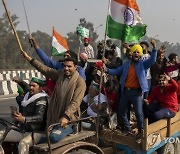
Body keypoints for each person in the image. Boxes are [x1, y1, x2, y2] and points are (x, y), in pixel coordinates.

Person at [21, 50, 86, 143]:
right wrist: (29, 58)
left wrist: (66, 117)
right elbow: (45, 69)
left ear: (75, 67)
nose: (66, 68)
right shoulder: (60, 75)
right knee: (42, 138)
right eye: (65, 66)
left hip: (69, 120)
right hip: (55, 116)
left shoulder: (80, 82)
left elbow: (75, 102)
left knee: (54, 137)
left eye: (69, 66)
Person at [104, 40, 157, 139]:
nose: (136, 53)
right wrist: (106, 69)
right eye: (134, 52)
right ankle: (127, 129)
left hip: (136, 92)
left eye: (138, 52)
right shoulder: (126, 64)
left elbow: (152, 60)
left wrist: (154, 48)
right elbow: (116, 71)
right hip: (125, 91)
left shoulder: (143, 64)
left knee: (138, 112)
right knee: (122, 111)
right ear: (131, 54)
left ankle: (141, 131)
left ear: (140, 54)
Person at [0, 77, 49, 154]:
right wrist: (19, 81)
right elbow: (25, 86)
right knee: (1, 135)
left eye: (33, 86)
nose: (31, 88)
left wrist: (24, 119)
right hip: (23, 130)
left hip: (36, 132)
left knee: (23, 144)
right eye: (30, 85)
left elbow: (39, 117)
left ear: (40, 88)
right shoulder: (28, 95)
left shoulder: (42, 99)